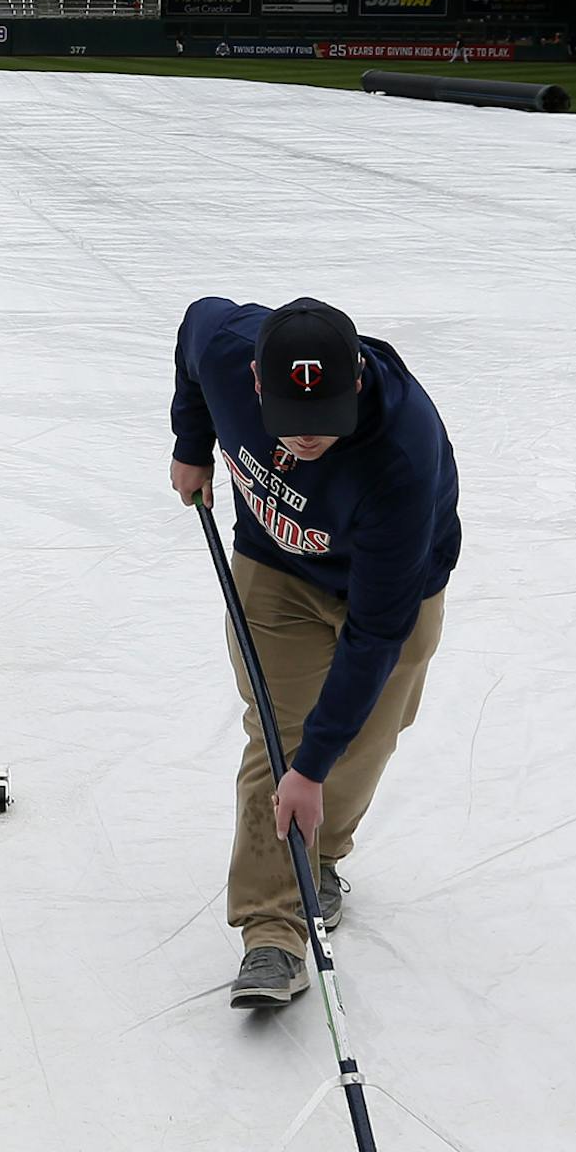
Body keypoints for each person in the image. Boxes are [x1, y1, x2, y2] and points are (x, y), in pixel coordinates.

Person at [170, 295, 460, 1009]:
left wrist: (315, 768)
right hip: (276, 567)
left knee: (359, 736)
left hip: (395, 589)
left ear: (356, 383)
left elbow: (375, 635)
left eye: (323, 423)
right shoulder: (227, 348)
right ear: (257, 385)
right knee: (280, 737)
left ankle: (322, 856)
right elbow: (193, 328)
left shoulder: (401, 450)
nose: (305, 441)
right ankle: (273, 931)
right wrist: (191, 440)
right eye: (289, 425)